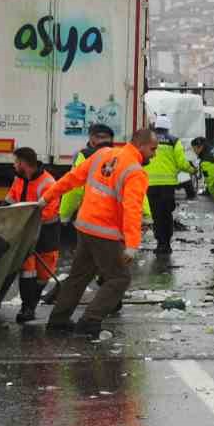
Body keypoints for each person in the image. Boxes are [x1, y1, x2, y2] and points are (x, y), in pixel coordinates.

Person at [44, 125, 156, 335]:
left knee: (79, 275)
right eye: (153, 149)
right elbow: (132, 209)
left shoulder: (102, 154)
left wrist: (46, 197)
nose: (155, 154)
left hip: (85, 226)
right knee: (119, 278)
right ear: (140, 146)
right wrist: (132, 245)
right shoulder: (135, 171)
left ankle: (58, 320)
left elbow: (72, 179)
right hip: (106, 232)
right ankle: (89, 322)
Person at [6, 146, 63, 324]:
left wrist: (25, 218)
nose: (14, 166)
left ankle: (32, 302)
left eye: (16, 162)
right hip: (26, 232)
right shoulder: (19, 179)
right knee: (26, 271)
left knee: (43, 275)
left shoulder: (48, 183)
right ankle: (27, 307)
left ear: (23, 163)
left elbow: (49, 212)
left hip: (46, 233)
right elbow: (10, 201)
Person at [144, 116, 194, 255]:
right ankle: (167, 244)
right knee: (167, 214)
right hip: (168, 185)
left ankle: (160, 243)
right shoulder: (174, 140)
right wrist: (192, 169)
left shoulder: (148, 140)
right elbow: (181, 163)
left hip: (151, 184)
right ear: (167, 127)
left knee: (156, 215)